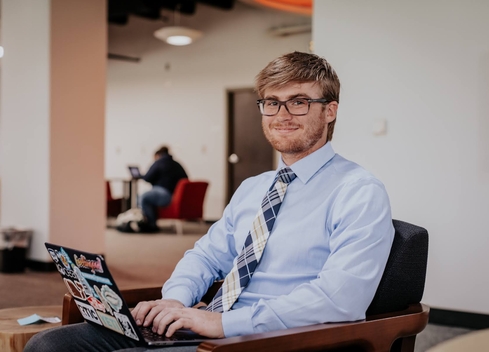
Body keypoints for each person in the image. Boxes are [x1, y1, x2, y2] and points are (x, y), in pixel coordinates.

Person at [25, 51, 395, 352]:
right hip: (204, 326)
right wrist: (176, 300)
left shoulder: (359, 191)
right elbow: (206, 255)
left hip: (270, 341)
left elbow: (339, 299)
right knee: (49, 346)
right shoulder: (255, 187)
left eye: (298, 102)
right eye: (271, 102)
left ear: (329, 111)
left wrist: (220, 323)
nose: (281, 115)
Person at [139, 146, 188, 232]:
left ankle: (151, 225)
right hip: (175, 196)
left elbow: (147, 177)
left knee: (143, 197)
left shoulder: (159, 162)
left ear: (157, 155)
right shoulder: (177, 164)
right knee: (149, 197)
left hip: (164, 194)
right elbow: (186, 179)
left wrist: (139, 175)